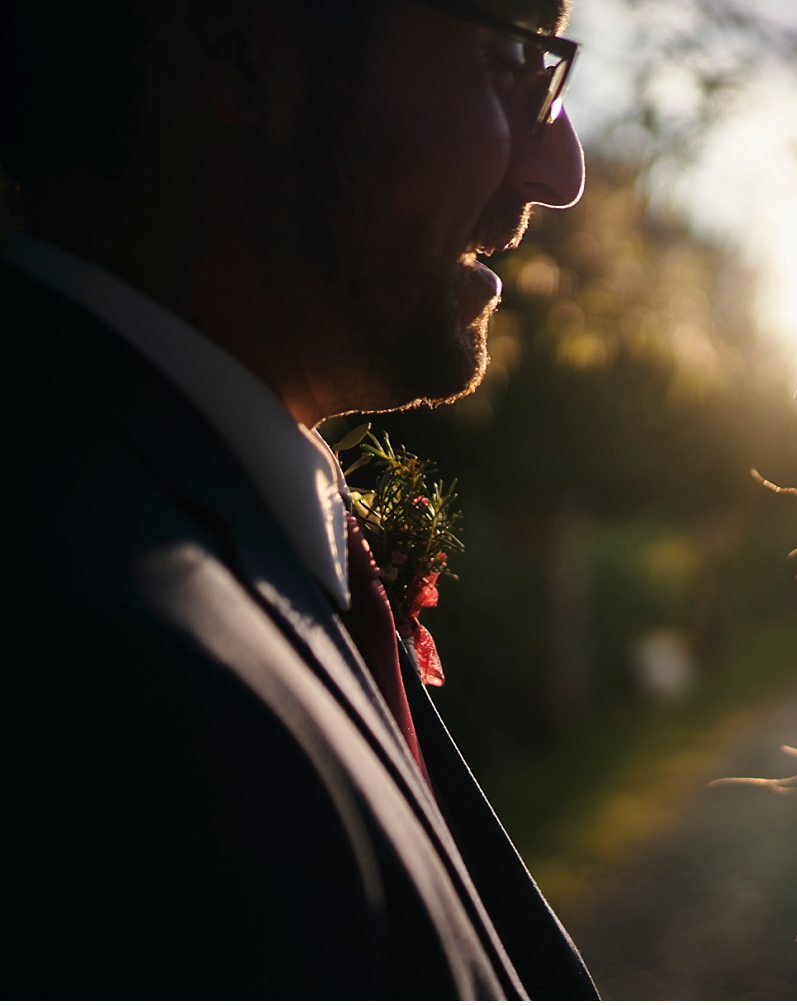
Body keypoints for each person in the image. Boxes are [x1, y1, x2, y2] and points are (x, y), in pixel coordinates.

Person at [6, 0, 594, 997]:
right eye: (509, 56)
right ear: (231, 37)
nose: (560, 173)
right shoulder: (102, 666)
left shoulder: (220, 547)